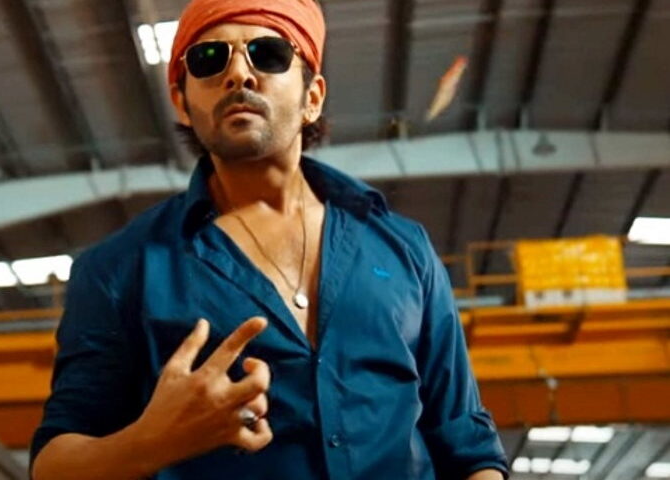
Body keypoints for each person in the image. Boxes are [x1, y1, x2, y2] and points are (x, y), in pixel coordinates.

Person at [30, 0, 509, 478]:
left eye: (269, 54)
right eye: (209, 60)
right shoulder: (120, 270)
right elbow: (52, 466)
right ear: (181, 102)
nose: (238, 74)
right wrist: (152, 442)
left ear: (312, 97)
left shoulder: (403, 248)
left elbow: (468, 444)